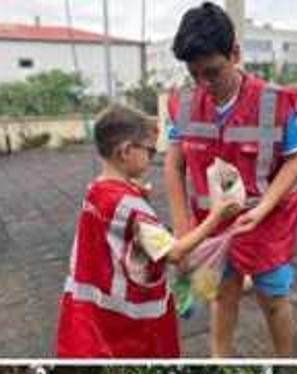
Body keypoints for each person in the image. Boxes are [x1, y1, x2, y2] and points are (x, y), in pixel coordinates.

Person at [164, 2, 297, 358]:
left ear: (235, 53)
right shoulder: (181, 105)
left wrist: (263, 210)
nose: (204, 84)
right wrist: (184, 229)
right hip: (210, 226)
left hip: (263, 224)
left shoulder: (274, 103)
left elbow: (296, 158)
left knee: (274, 299)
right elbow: (174, 164)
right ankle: (219, 359)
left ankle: (285, 363)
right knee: (221, 294)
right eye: (194, 73)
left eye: (212, 71)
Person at [54, 104, 240, 359]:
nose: (152, 158)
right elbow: (174, 253)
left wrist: (138, 196)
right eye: (150, 151)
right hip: (130, 322)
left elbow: (118, 228)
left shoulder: (97, 189)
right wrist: (216, 217)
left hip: (91, 315)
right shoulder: (130, 207)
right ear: (126, 151)